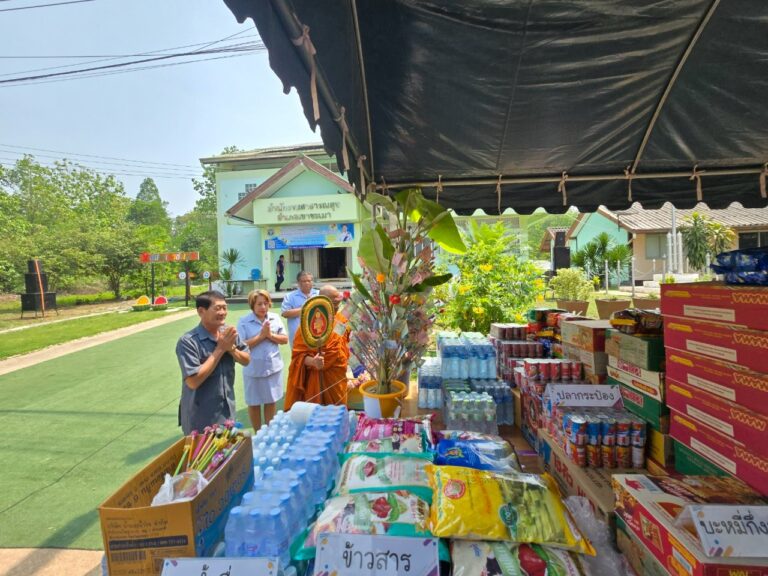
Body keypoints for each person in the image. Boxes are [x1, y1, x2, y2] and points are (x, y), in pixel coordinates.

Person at [175, 291, 250, 435]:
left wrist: (232, 349)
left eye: (225, 308)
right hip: (200, 418)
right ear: (201, 311)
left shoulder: (227, 333)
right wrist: (220, 349)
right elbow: (193, 381)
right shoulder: (188, 341)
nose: (223, 312)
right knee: (203, 456)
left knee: (227, 455)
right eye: (217, 308)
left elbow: (246, 359)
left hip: (227, 411)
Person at [284, 284, 350, 410]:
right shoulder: (307, 328)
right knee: (317, 418)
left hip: (337, 379)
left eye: (338, 304)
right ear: (322, 302)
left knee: (339, 414)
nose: (336, 308)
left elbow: (343, 342)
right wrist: (313, 361)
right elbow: (297, 357)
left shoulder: (339, 319)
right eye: (333, 304)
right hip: (316, 380)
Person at [237, 289, 288, 430]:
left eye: (266, 303)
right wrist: (261, 337)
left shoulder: (274, 318)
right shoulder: (244, 322)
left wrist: (269, 335)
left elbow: (284, 339)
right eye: (259, 304)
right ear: (252, 305)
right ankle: (258, 432)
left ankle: (269, 431)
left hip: (273, 367)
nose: (263, 307)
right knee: (253, 403)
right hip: (253, 369)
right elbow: (240, 346)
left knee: (270, 401)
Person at [281, 270, 318, 347]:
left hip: (316, 335)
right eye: (304, 281)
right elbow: (285, 313)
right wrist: (306, 308)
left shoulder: (319, 294)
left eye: (309, 281)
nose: (307, 283)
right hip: (298, 337)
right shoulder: (290, 296)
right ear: (298, 282)